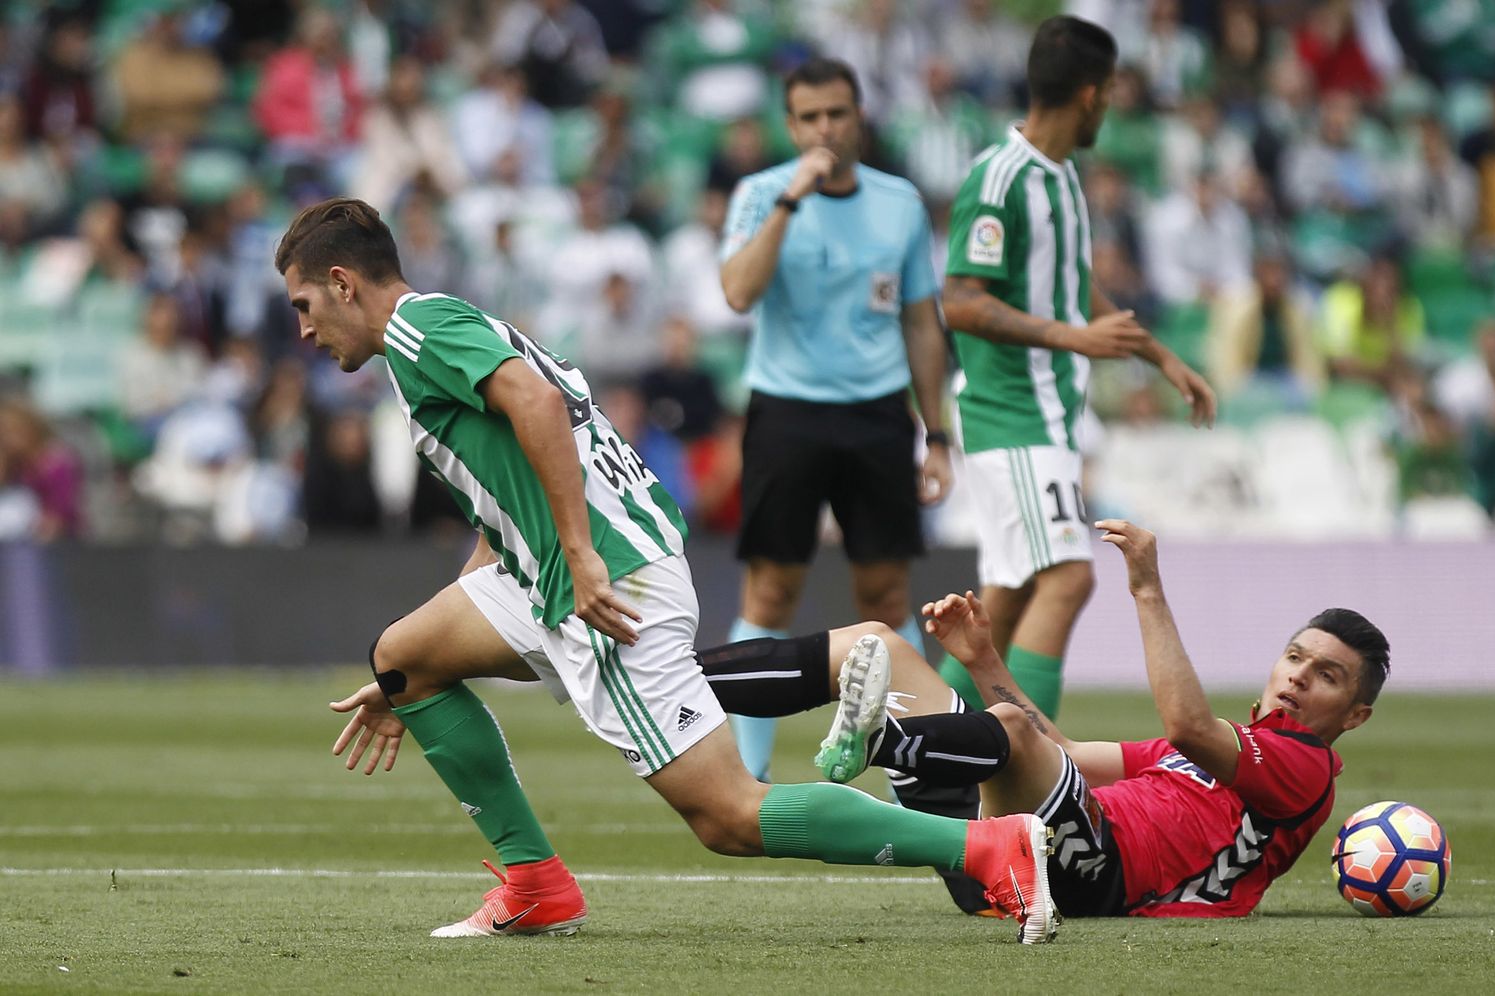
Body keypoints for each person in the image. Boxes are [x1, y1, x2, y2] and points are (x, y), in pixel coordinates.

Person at [277, 197, 1056, 943]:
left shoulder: (417, 329)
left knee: (728, 816)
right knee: (405, 657)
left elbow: (540, 406)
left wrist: (579, 556)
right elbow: (509, 495)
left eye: (305, 304)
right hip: (562, 569)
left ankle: (990, 849)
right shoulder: (441, 328)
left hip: (607, 580)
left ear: (343, 283)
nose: (305, 330)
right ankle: (535, 884)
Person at [333, 518, 1387, 919]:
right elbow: (1067, 751)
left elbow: (1186, 719)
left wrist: (1146, 586)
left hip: (1098, 875)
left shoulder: (1298, 773)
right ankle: (639, 681)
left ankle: (880, 741)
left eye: (1326, 677)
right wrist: (977, 661)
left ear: (1356, 713)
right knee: (875, 643)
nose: (1298, 680)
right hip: (1041, 831)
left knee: (1007, 740)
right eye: (1297, 658)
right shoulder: (1211, 756)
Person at [938, 16, 1213, 734]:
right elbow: (961, 301)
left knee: (1004, 599)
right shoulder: (1000, 177)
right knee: (1069, 577)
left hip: (1045, 414)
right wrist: (1073, 339)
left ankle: (908, 735)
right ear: (1091, 93)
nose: (1113, 105)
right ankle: (1026, 771)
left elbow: (1067, 283)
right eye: (1112, 91)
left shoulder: (1057, 175)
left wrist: (1161, 357)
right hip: (1012, 409)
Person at [717, 57, 954, 782]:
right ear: (792, 127)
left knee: (884, 595)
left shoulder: (899, 203)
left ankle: (920, 761)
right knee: (772, 593)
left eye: (838, 114)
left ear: (859, 118)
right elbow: (737, 292)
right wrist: (791, 200)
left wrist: (936, 432)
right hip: (786, 413)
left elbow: (920, 320)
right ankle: (743, 776)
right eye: (811, 116)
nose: (826, 127)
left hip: (878, 417)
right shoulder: (762, 194)